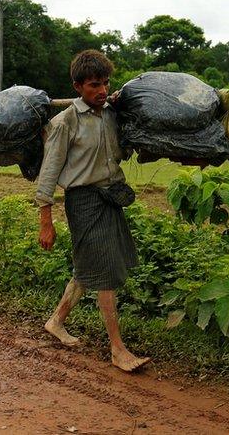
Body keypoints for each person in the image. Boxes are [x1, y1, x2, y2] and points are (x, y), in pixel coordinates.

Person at [36, 49, 150, 373]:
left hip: (109, 196)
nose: (101, 90)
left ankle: (56, 321)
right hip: (83, 201)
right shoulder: (65, 122)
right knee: (104, 271)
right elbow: (48, 173)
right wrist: (46, 221)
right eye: (93, 86)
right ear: (77, 87)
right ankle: (117, 349)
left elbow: (121, 151)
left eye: (105, 83)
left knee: (89, 266)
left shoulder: (111, 114)